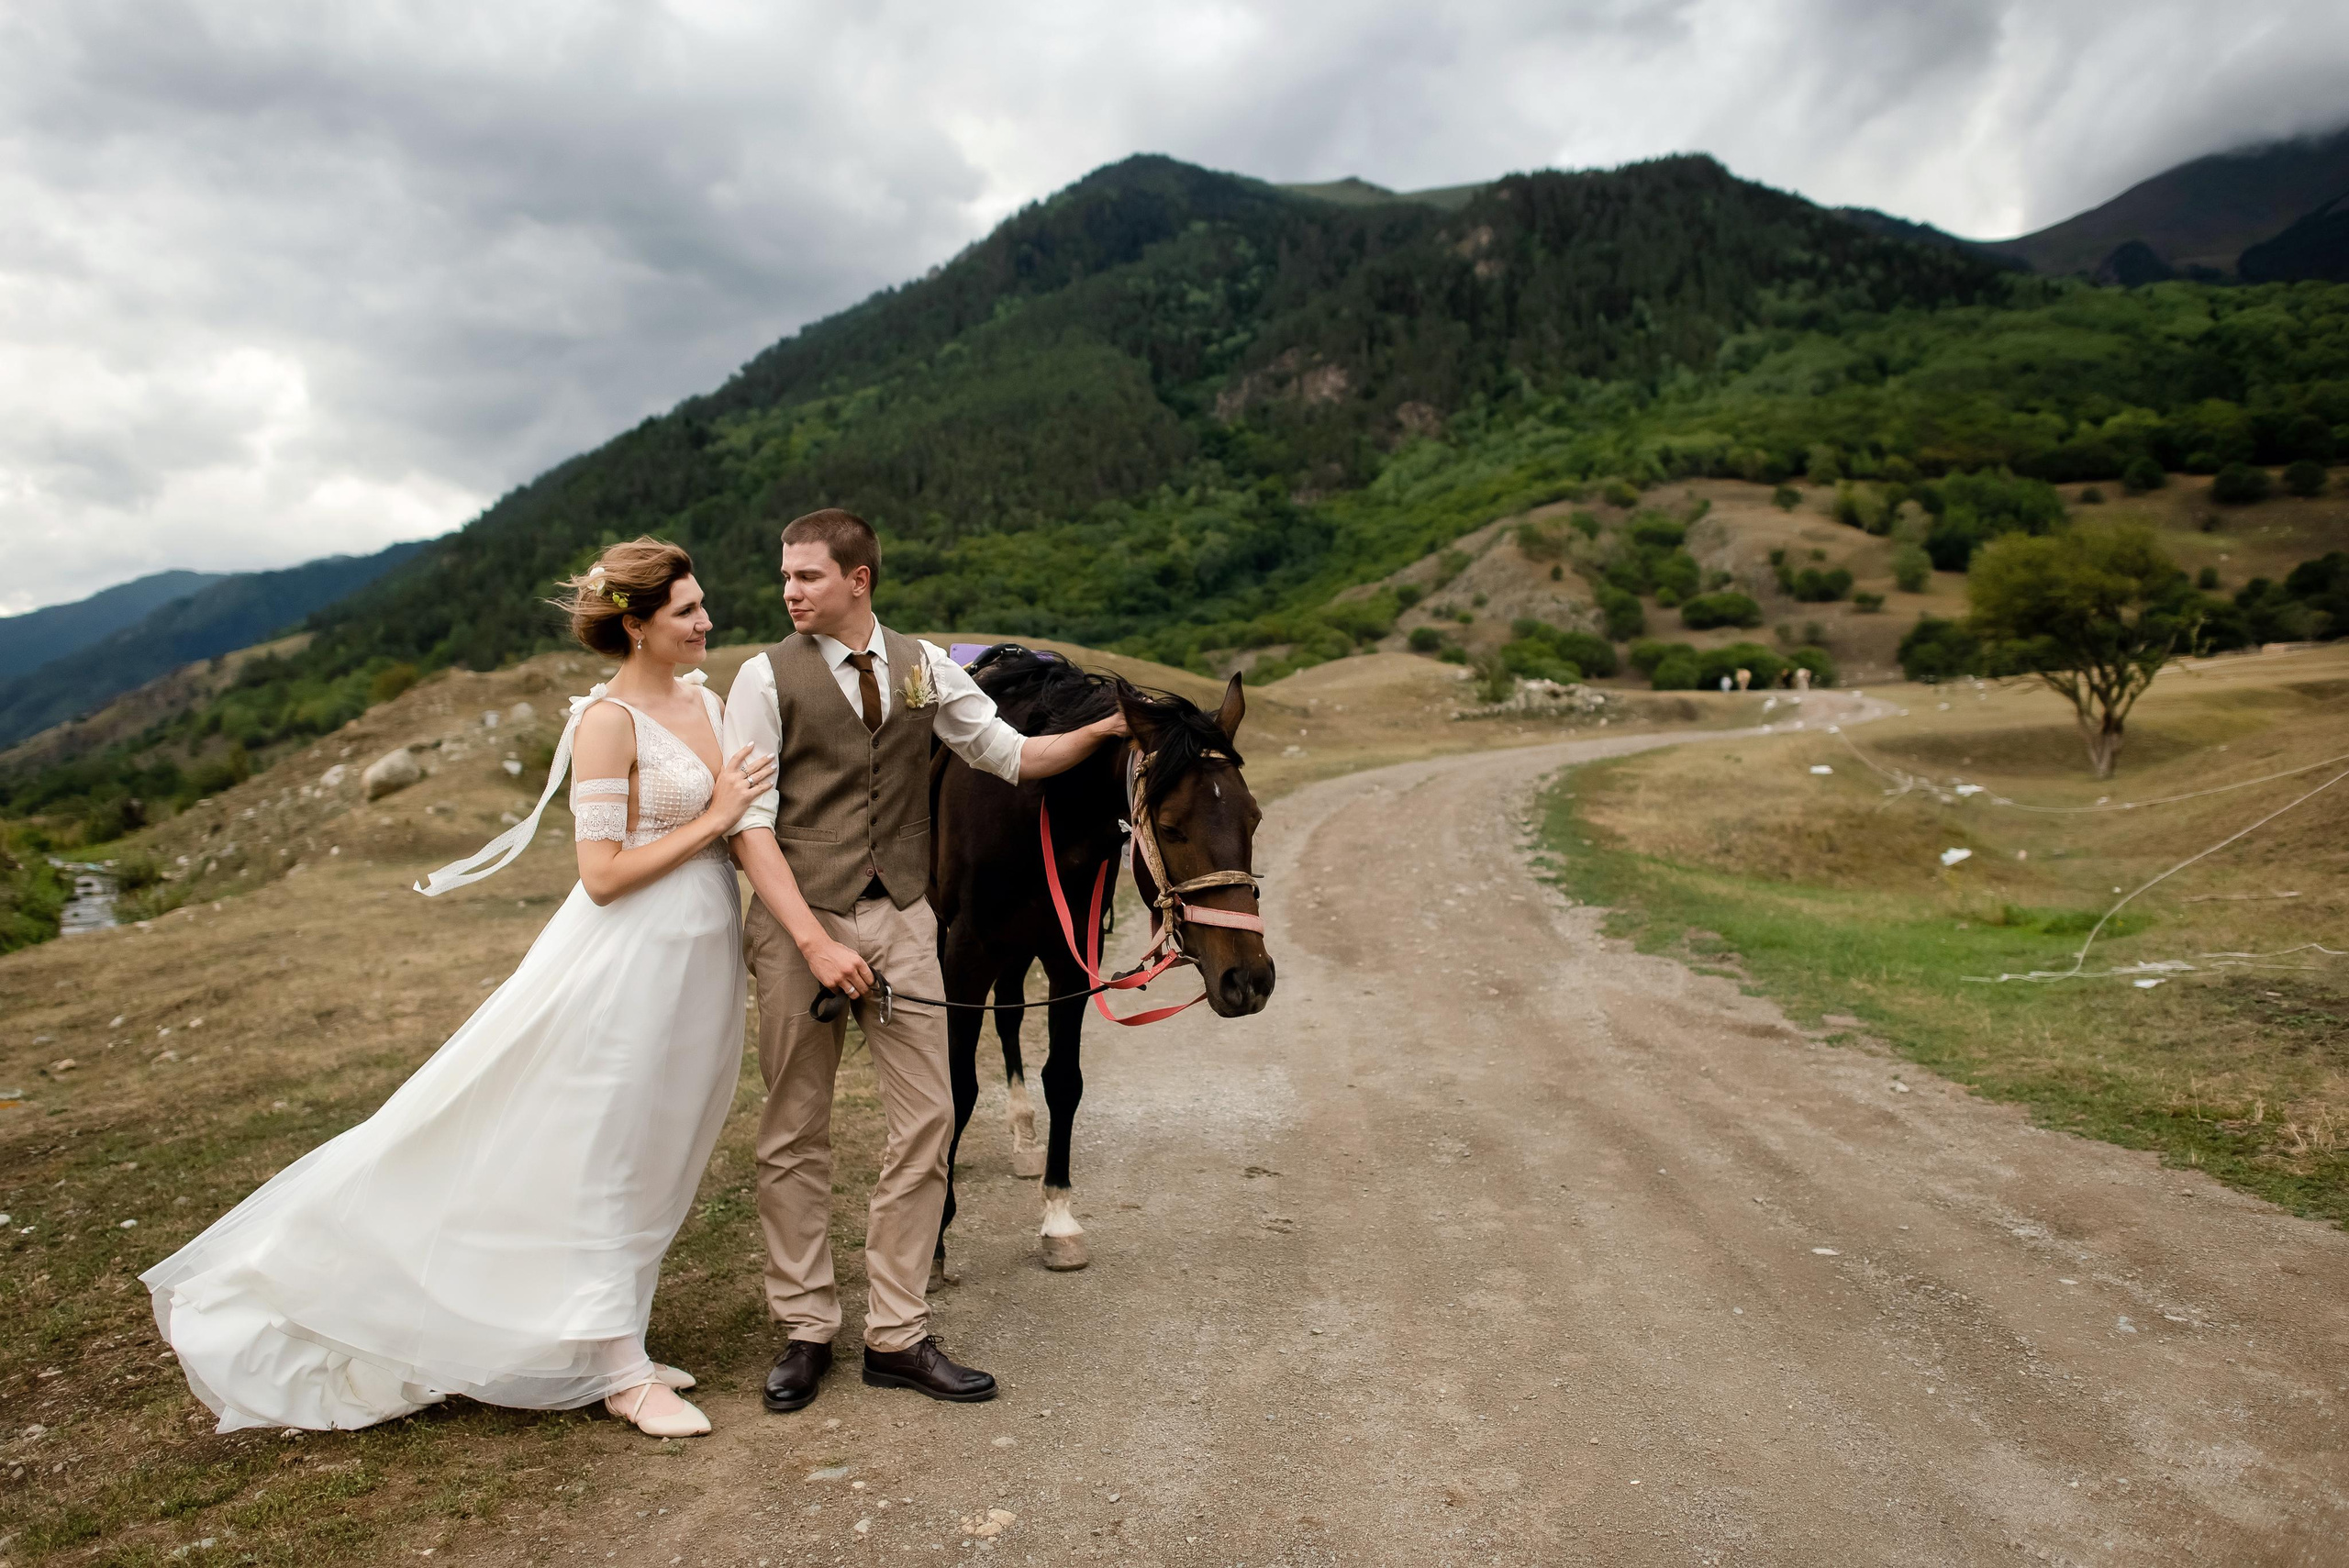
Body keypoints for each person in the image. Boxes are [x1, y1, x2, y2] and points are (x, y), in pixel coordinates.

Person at [140, 539, 774, 1440]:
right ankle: (621, 1375)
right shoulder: (605, 721)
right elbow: (599, 873)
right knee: (607, 1145)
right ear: (635, 625)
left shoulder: (706, 698)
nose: (706, 620)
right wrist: (711, 816)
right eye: (686, 610)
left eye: (702, 603)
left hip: (699, 954)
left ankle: (612, 1337)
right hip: (626, 958)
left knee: (666, 1143)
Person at [722, 509, 1126, 1412]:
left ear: (859, 579)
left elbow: (1010, 754)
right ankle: (806, 1325)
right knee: (794, 1129)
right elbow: (746, 824)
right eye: (784, 576)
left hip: (903, 918)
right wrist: (815, 942)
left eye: (807, 577)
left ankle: (897, 1331)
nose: (789, 591)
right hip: (801, 921)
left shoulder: (925, 668)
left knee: (929, 1118)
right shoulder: (760, 678)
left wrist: (1101, 735)